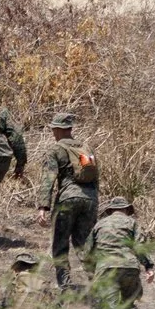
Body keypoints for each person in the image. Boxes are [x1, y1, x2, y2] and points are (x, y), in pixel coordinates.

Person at [38, 111, 99, 287]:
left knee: (60, 242)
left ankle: (64, 285)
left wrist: (43, 206)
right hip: (90, 199)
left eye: (53, 129)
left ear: (57, 129)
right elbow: (96, 177)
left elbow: (48, 179)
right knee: (84, 244)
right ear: (70, 129)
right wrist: (94, 204)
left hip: (67, 199)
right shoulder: (86, 148)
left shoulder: (55, 149)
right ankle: (97, 282)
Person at [89, 195, 155, 309]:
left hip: (106, 269)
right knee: (128, 305)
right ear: (126, 209)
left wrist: (92, 272)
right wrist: (148, 266)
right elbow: (139, 246)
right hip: (129, 267)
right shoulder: (132, 223)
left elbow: (87, 252)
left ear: (110, 210)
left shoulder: (99, 224)